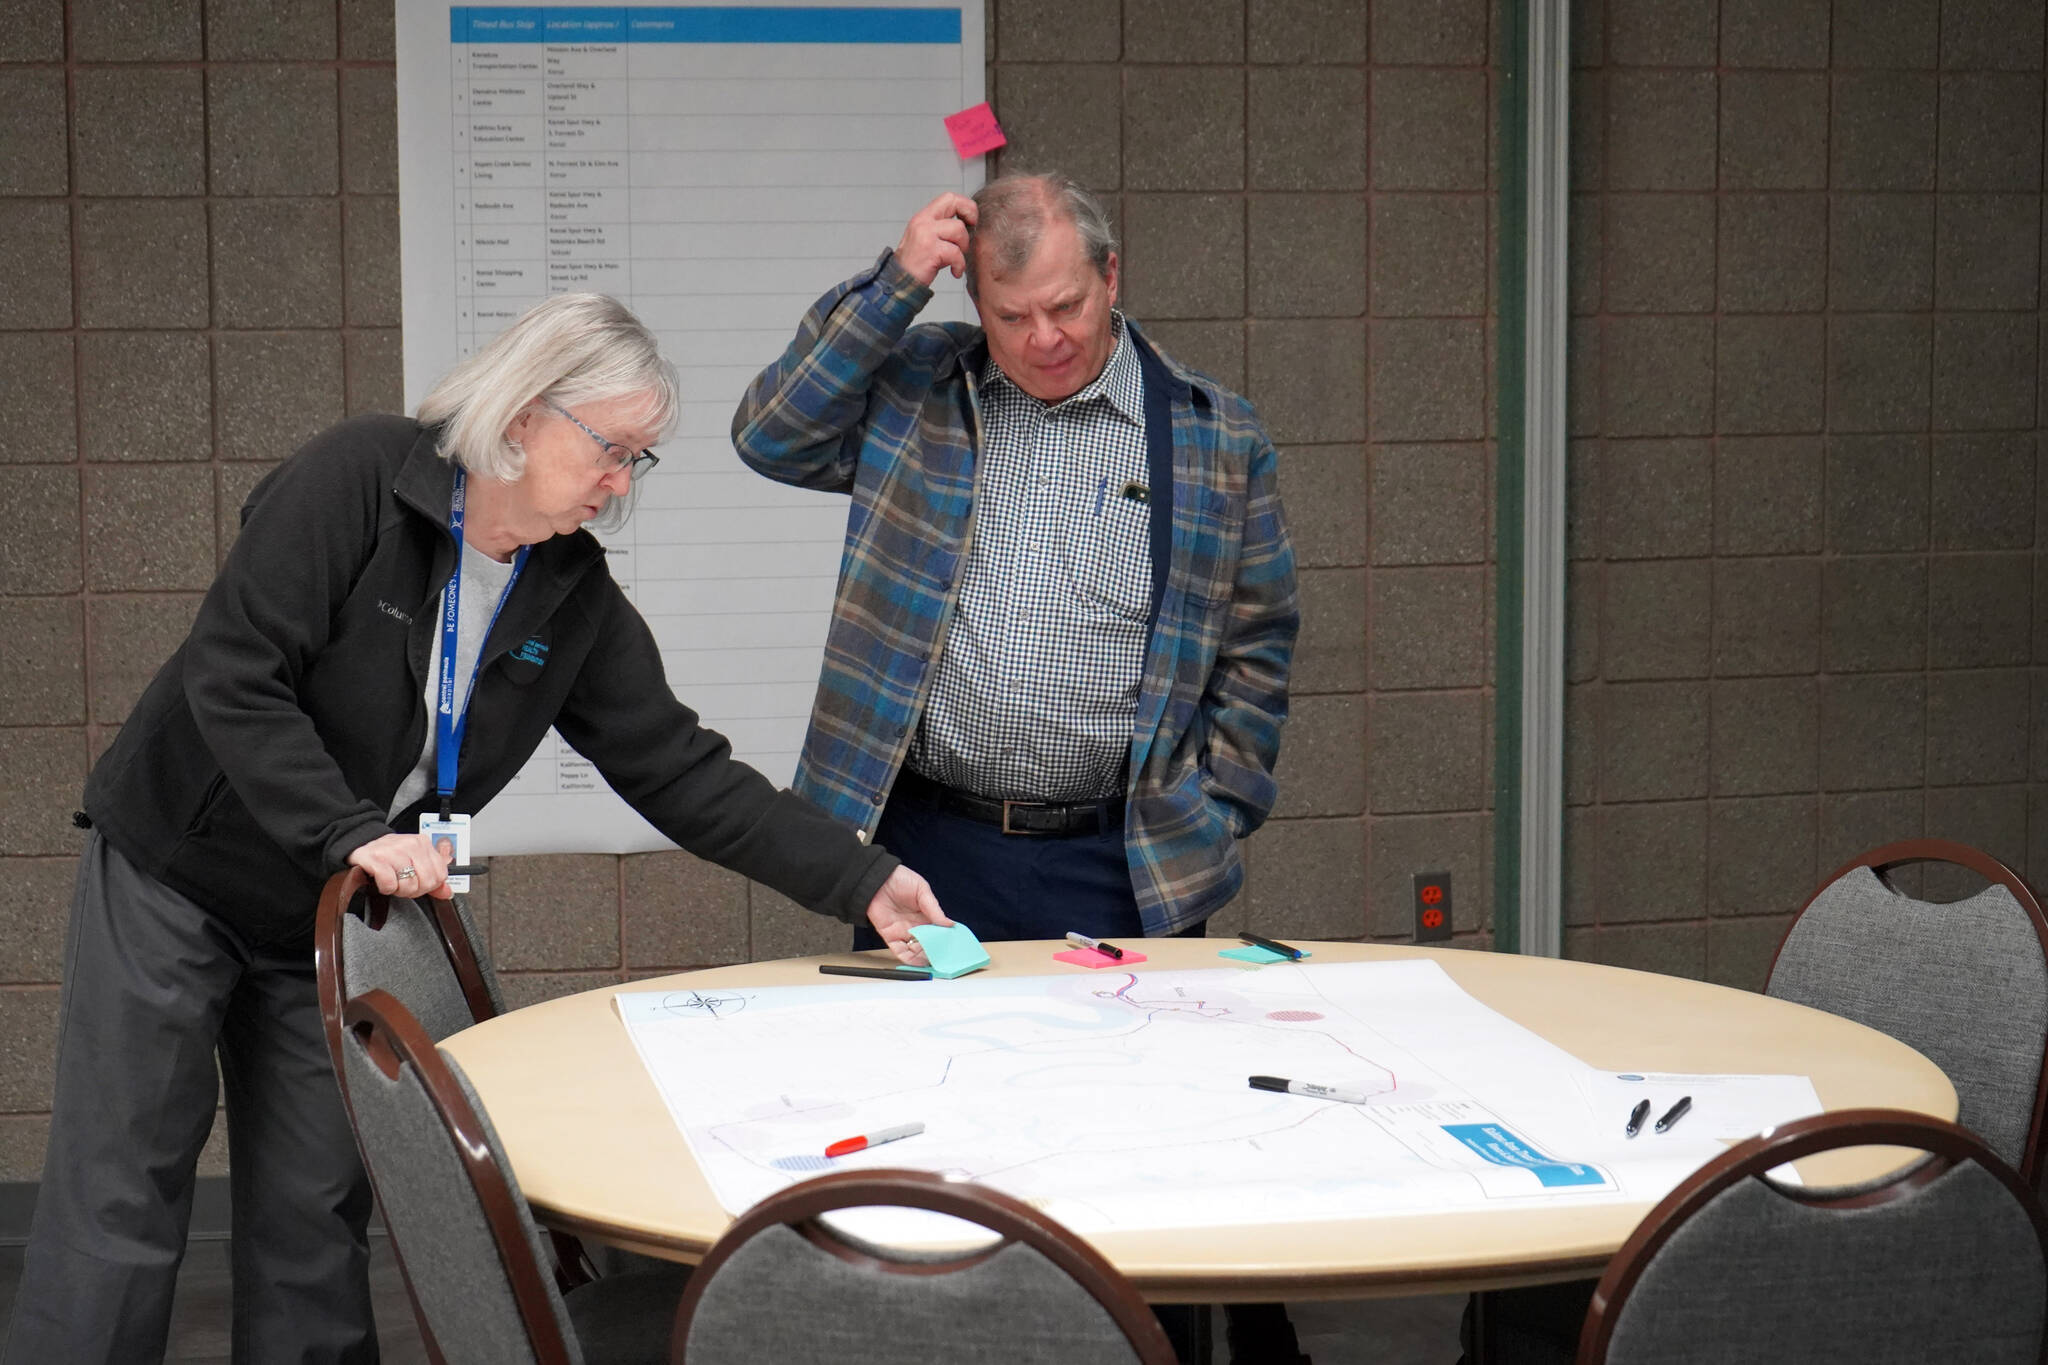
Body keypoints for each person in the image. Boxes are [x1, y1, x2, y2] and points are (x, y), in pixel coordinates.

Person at [5, 293, 948, 1365]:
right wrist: (347, 829)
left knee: (313, 1215)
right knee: (120, 1198)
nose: (620, 484)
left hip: (323, 912)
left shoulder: (570, 595)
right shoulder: (358, 478)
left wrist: (860, 879)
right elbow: (234, 672)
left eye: (638, 461)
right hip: (179, 871)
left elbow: (679, 769)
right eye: (611, 451)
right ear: (523, 416)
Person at [731, 172, 1301, 1364]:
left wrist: (1217, 811)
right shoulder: (918, 388)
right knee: (924, 1152)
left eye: (1064, 309)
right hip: (920, 850)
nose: (1041, 340)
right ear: (974, 305)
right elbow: (769, 433)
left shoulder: (1208, 432)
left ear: (1109, 278)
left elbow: (1256, 644)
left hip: (1116, 860)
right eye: (1009, 317)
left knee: (1131, 1163)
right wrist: (893, 288)